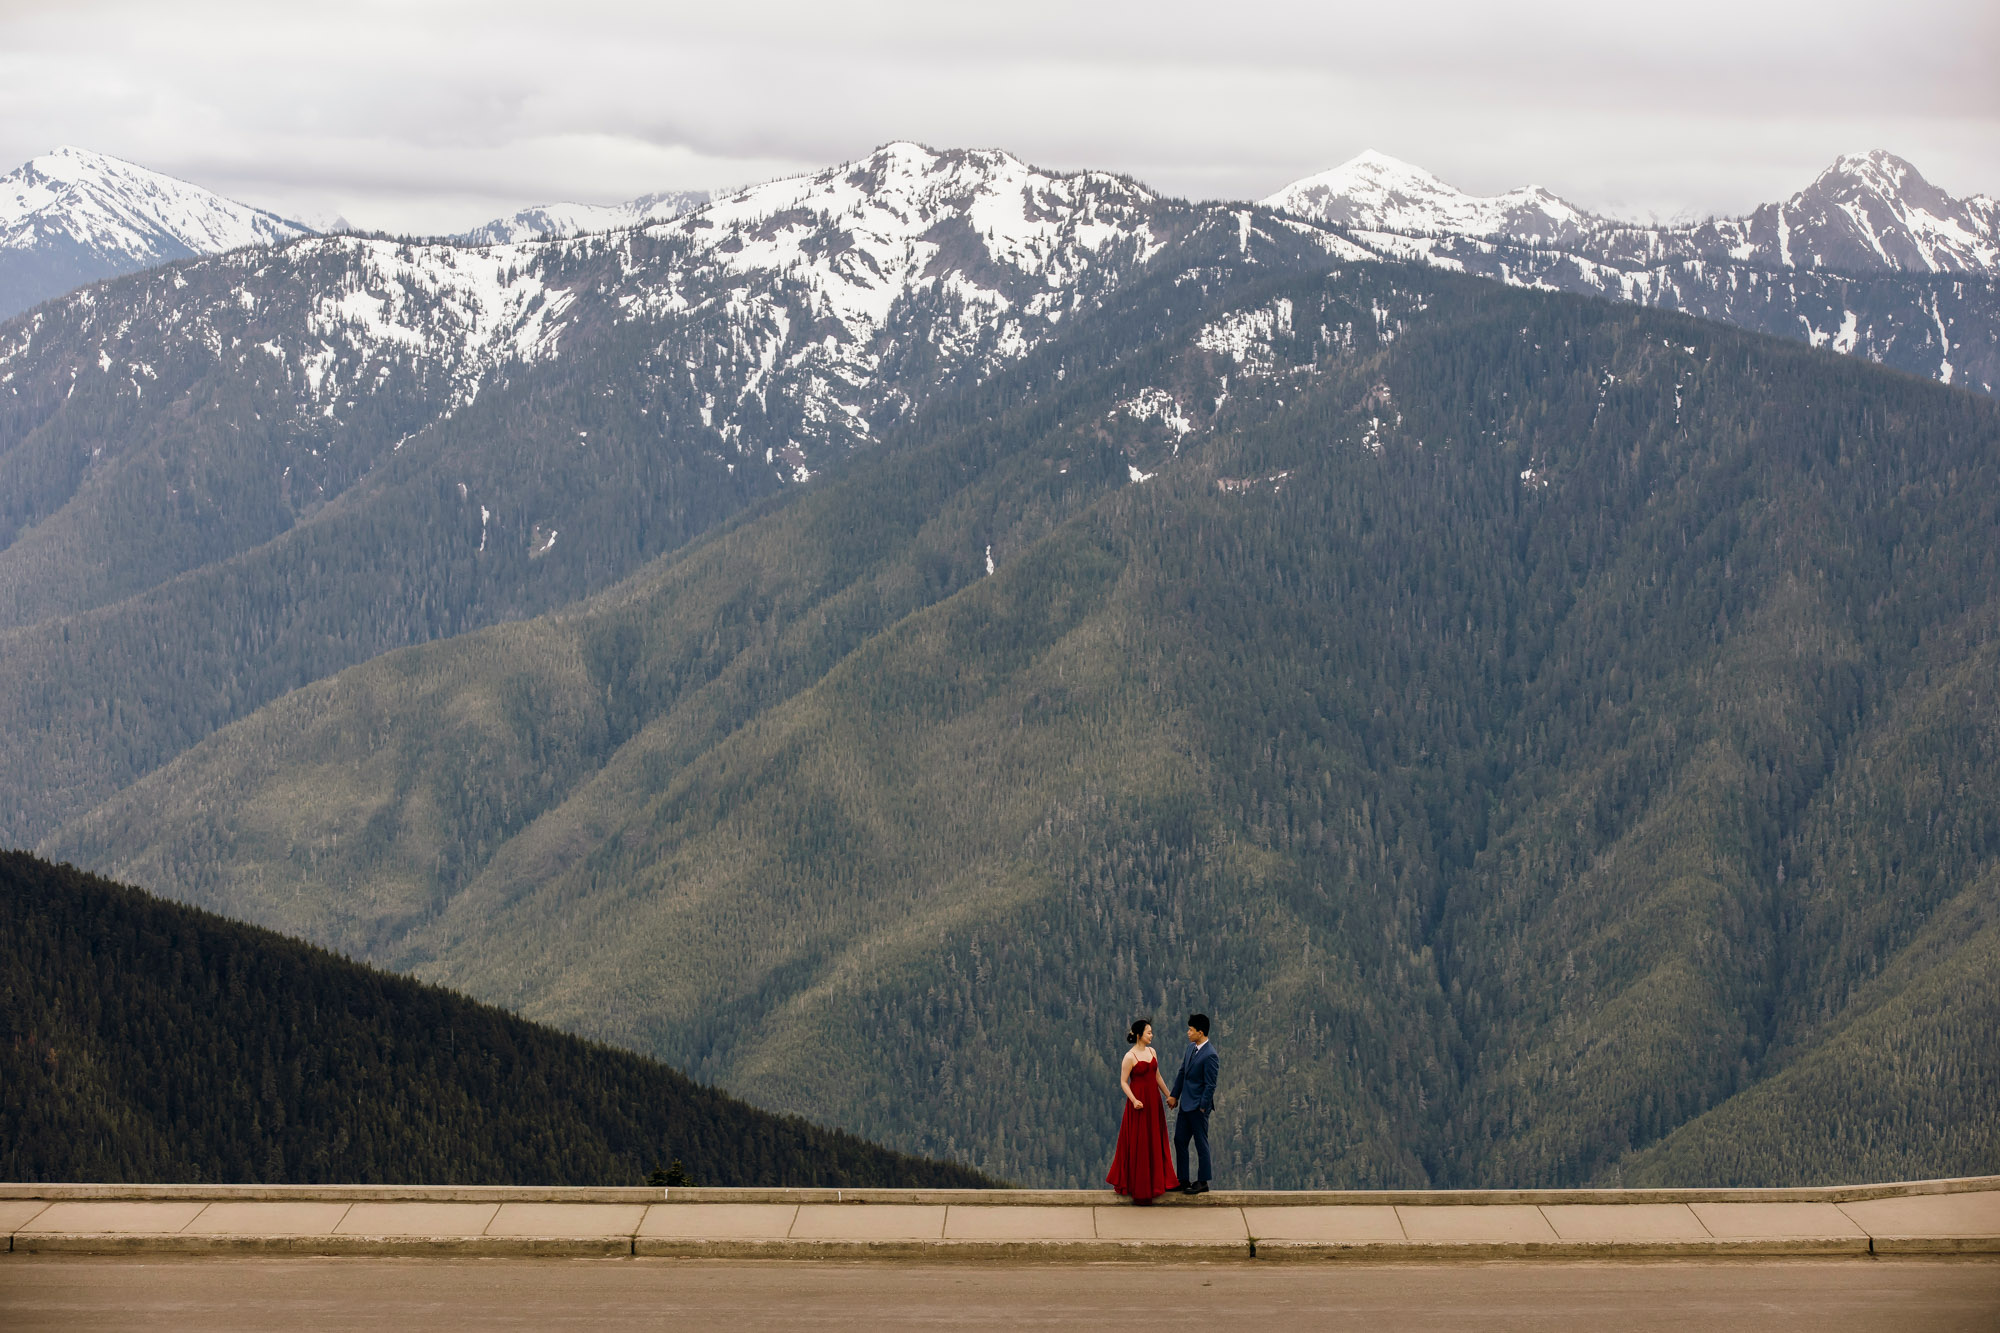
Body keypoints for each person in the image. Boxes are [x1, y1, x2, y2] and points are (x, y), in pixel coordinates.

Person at [1105, 1018, 1179, 1203]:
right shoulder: (1130, 1057)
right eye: (1149, 1032)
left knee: (1154, 1140)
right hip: (1139, 1104)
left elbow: (1157, 1076)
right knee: (1140, 1143)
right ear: (1139, 1035)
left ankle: (1156, 1184)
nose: (1151, 1035)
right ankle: (1141, 1189)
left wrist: (1169, 1095)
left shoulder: (1152, 1051)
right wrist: (1134, 1100)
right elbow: (1123, 1081)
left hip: (1153, 1102)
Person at [1167, 1013, 1218, 1194]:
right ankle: (1183, 1180)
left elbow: (1210, 1084)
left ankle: (1203, 1181)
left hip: (1198, 1107)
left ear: (1201, 1032)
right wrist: (1174, 1095)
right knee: (1179, 1140)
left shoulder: (1210, 1055)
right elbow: (1183, 1073)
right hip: (1185, 1105)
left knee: (1200, 1143)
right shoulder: (1190, 1049)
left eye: (1191, 1029)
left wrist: (1203, 1106)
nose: (1188, 1032)